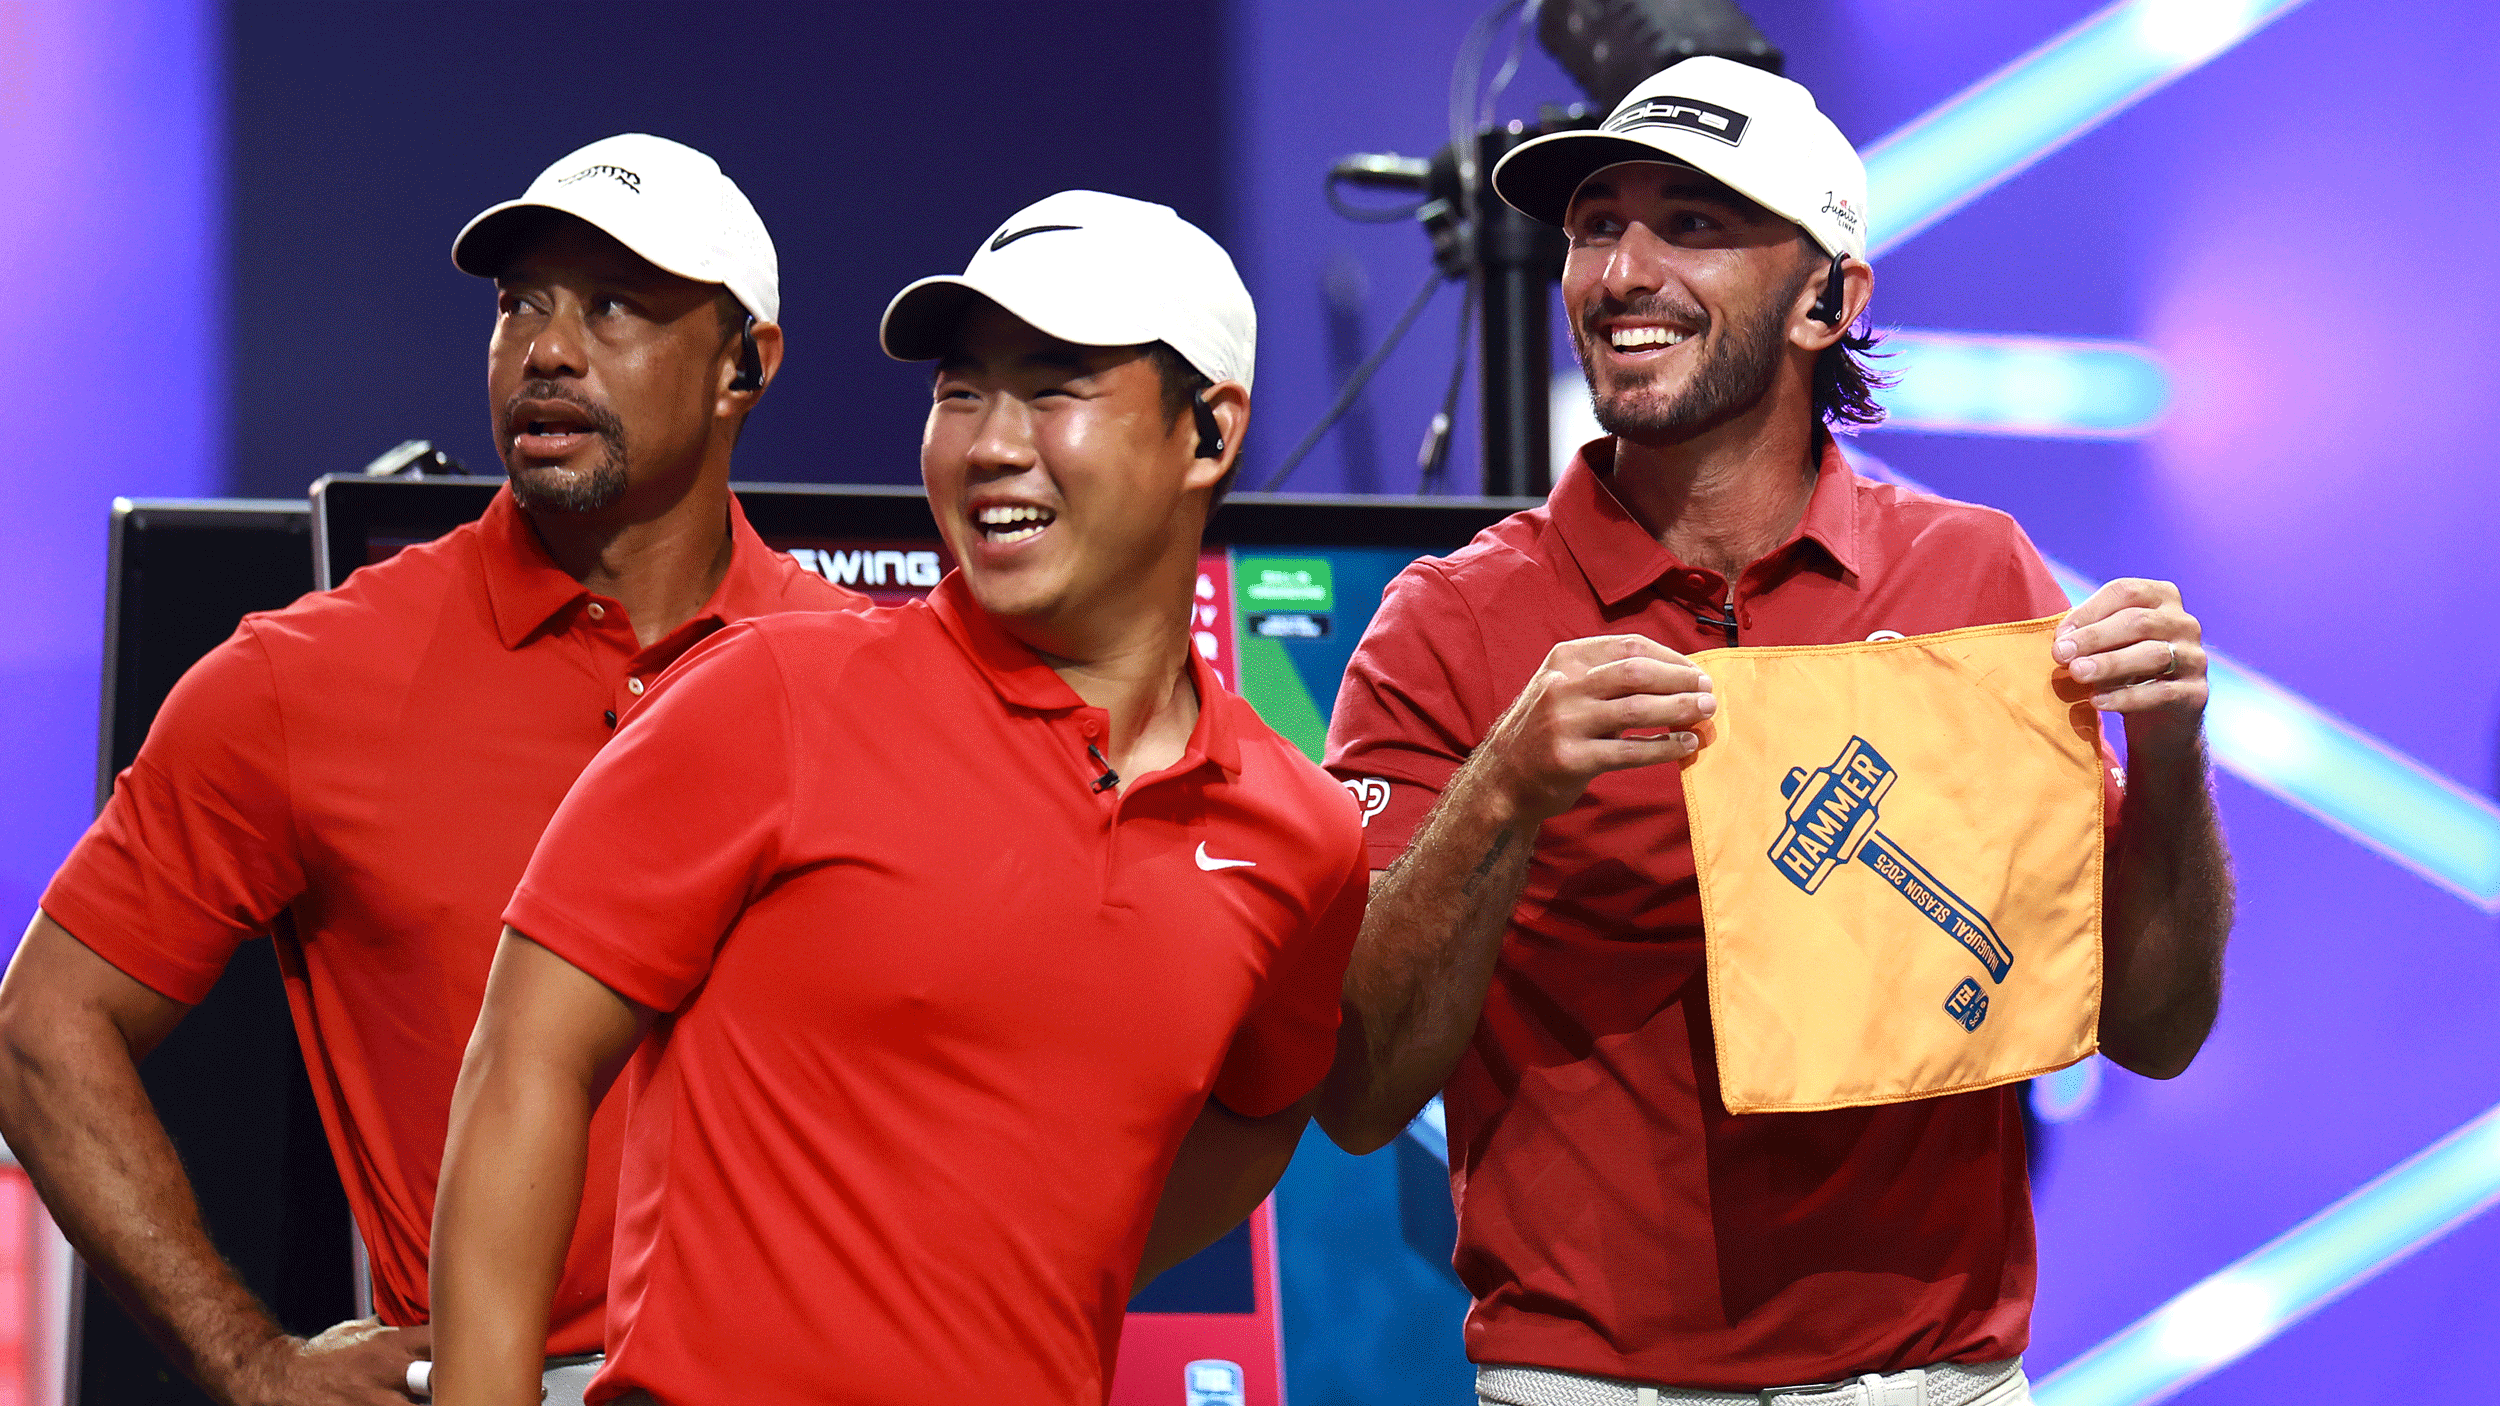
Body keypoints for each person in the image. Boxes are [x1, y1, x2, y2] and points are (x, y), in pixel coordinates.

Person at [1319, 58, 2234, 1405]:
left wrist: (2167, 753)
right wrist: (1502, 789)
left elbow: (2154, 1027)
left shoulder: (1978, 577)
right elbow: (1357, 1090)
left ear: (1828, 299)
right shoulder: (1449, 623)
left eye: (1690, 224)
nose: (1622, 271)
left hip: (1944, 1381)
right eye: (1595, 226)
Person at [426, 191, 1366, 1406]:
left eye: (1053, 388)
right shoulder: (767, 692)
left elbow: (1262, 1108)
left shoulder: (1302, 831)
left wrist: (1031, 1266)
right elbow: (522, 1064)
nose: (989, 444)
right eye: (961, 391)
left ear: (1208, 431)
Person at [0, 133, 862, 1406]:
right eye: (520, 304)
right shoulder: (306, 679)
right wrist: (251, 1361)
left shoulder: (868, 680)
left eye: (613, 306)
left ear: (747, 360)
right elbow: (40, 1029)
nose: (548, 350)